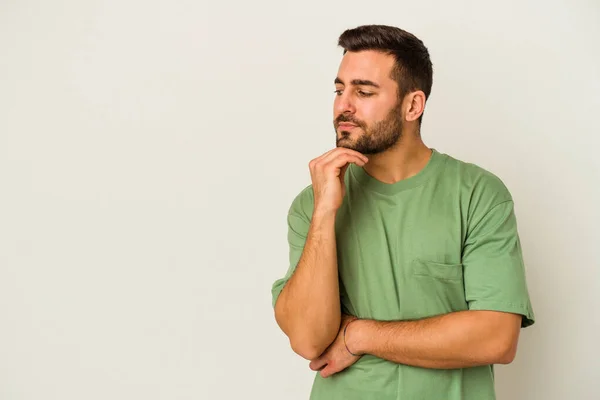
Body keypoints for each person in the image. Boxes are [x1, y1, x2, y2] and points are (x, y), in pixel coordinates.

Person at [270, 24, 535, 400]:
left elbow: (496, 338)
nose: (344, 105)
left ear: (413, 105)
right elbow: (309, 340)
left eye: (363, 91)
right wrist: (324, 213)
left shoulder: (477, 194)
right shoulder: (312, 203)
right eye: (339, 89)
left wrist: (357, 335)